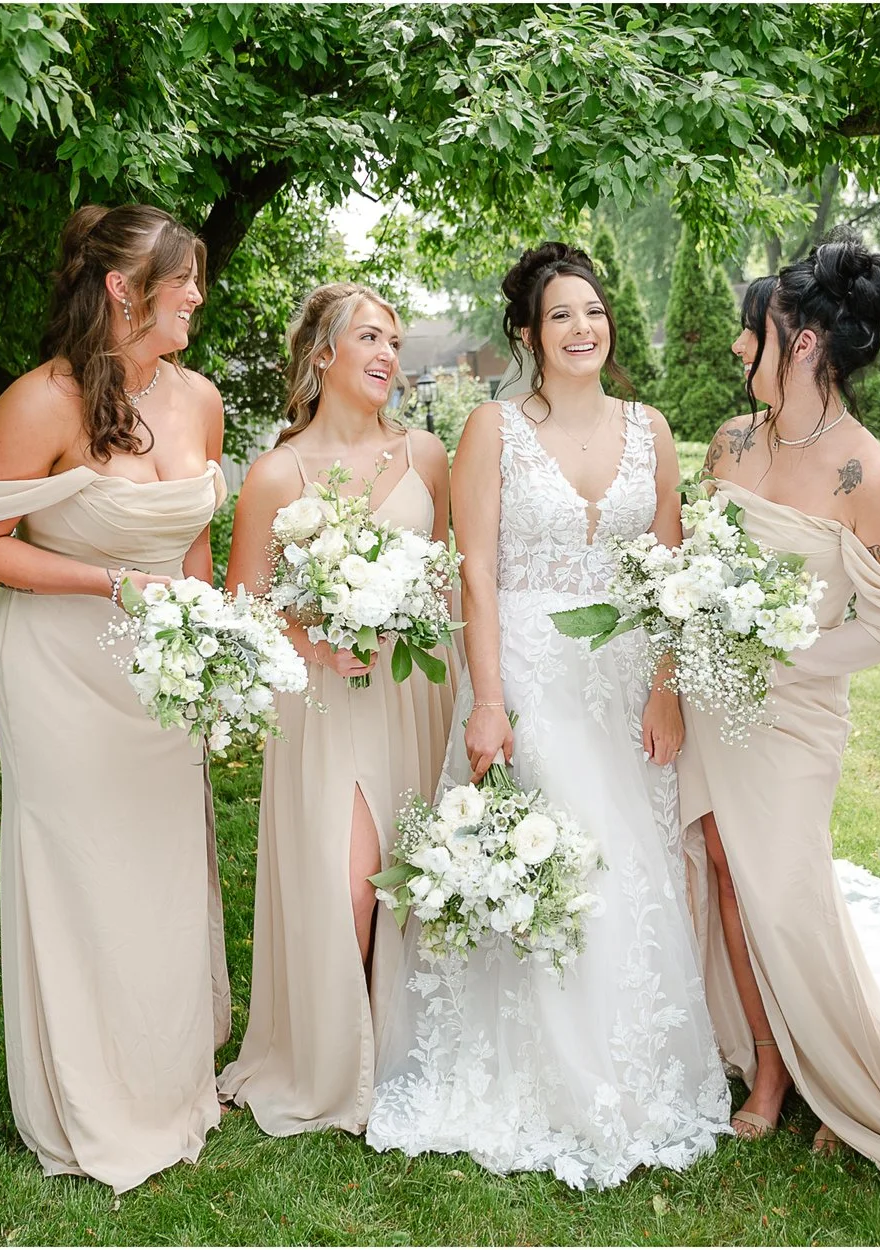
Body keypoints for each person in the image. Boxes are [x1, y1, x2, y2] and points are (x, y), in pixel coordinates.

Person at [366, 243, 730, 1188]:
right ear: (528, 334)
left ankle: (628, 1071)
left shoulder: (652, 428)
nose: (581, 329)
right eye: (560, 315)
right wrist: (487, 701)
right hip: (523, 667)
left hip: (620, 678)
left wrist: (664, 686)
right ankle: (530, 1078)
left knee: (628, 865)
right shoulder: (492, 429)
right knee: (547, 852)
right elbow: (476, 570)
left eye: (593, 311)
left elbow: (667, 575)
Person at [0, 203, 231, 1193]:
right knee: (81, 871)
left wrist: (212, 640)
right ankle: (86, 1097)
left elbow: (193, 544)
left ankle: (166, 1078)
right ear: (123, 289)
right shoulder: (42, 401)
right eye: (183, 277)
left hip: (167, 673)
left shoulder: (199, 398)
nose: (197, 293)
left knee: (158, 866)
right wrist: (114, 585)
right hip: (62, 664)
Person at [680, 235, 880, 1170]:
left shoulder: (869, 473)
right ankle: (772, 1065)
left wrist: (794, 654)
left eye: (759, 332)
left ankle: (844, 1070)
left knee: (785, 893)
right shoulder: (731, 443)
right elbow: (694, 571)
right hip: (716, 699)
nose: (740, 349)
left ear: (803, 343)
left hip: (795, 713)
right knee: (725, 873)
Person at [217, 283, 456, 1137]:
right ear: (324, 356)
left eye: (393, 340)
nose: (388, 354)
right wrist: (312, 638)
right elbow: (241, 601)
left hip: (418, 690)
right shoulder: (277, 473)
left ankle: (395, 1051)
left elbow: (453, 573)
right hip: (327, 699)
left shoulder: (427, 456)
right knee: (351, 883)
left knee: (414, 879)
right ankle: (328, 1057)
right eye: (369, 338)